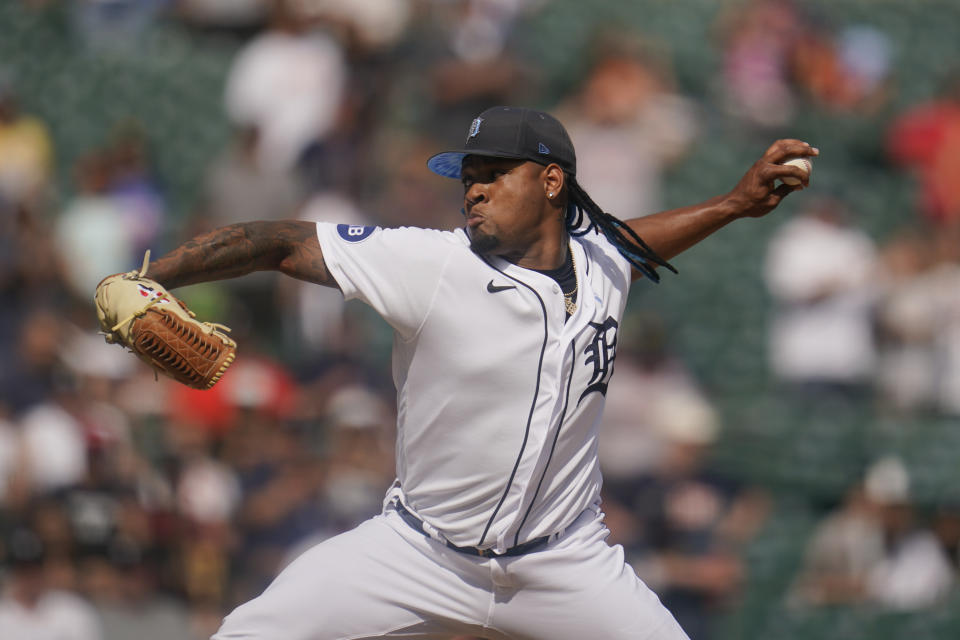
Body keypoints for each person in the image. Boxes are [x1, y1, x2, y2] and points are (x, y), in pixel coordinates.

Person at [132, 106, 816, 639]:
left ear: (552, 181)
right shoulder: (430, 264)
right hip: (419, 555)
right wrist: (148, 277)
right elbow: (280, 243)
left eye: (493, 172)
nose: (473, 188)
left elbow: (631, 243)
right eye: (467, 175)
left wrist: (733, 205)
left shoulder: (602, 259)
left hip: (564, 562)